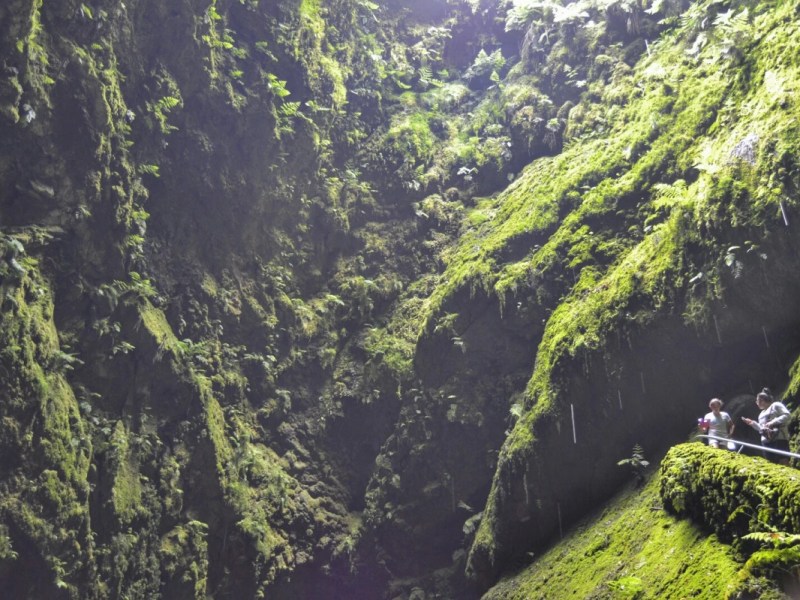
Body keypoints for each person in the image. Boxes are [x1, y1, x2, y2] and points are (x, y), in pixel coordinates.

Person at [741, 388, 792, 465]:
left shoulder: (776, 405)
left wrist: (772, 422)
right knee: (772, 463)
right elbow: (762, 429)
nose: (756, 403)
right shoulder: (761, 414)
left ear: (762, 400)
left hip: (779, 438)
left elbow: (787, 415)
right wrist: (752, 423)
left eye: (757, 401)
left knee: (783, 460)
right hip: (766, 441)